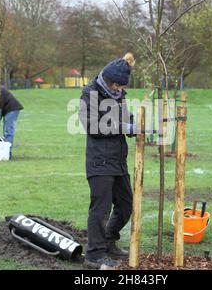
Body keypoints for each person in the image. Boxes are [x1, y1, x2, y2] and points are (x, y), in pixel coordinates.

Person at [79, 53, 137, 269]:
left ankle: (109, 240)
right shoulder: (89, 94)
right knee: (100, 209)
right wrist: (125, 128)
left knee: (125, 205)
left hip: (118, 160)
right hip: (99, 162)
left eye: (121, 87)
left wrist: (138, 127)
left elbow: (125, 118)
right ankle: (94, 255)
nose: (119, 90)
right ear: (107, 80)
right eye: (116, 86)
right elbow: (93, 127)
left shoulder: (118, 94)